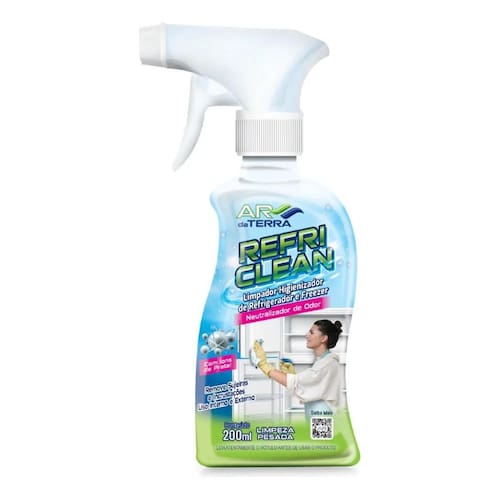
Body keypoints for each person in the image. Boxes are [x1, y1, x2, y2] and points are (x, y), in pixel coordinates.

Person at [253, 319, 342, 416]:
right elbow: (309, 387)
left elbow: (295, 382)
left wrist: (263, 364)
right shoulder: (323, 361)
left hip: (323, 417)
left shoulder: (326, 364)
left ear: (323, 338)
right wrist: (291, 374)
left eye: (311, 332)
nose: (307, 335)